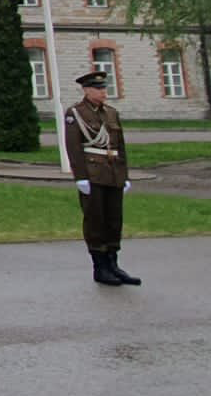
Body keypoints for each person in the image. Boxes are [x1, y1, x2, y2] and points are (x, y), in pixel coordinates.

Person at [66, 71, 139, 286]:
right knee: (96, 220)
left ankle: (113, 264)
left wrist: (124, 175)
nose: (103, 92)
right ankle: (100, 267)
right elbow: (73, 147)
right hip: (93, 173)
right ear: (87, 90)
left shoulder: (111, 113)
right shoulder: (76, 113)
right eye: (98, 89)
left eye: (104, 88)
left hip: (113, 172)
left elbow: (120, 146)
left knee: (114, 220)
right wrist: (81, 177)